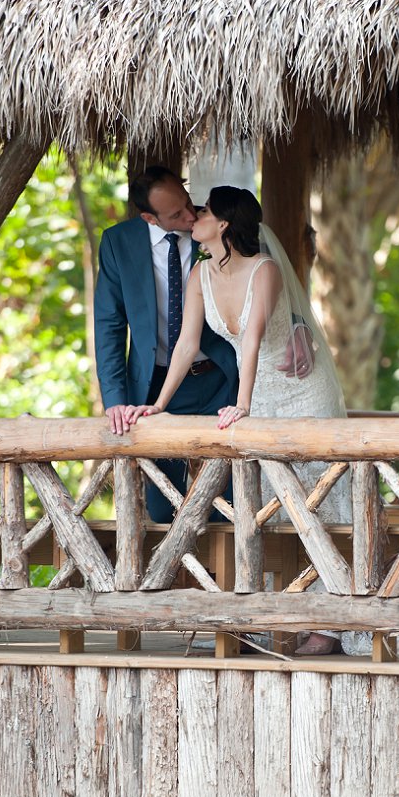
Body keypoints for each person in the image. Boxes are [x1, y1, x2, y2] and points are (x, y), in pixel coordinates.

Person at [128, 185, 352, 657]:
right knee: (273, 510)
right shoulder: (200, 274)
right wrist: (159, 404)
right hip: (257, 398)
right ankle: (281, 616)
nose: (195, 217)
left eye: (204, 211)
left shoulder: (264, 271)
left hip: (299, 395)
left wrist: (243, 403)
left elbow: (251, 339)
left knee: (320, 507)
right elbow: (187, 345)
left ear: (224, 223)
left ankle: (334, 623)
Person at [94, 165, 240, 523]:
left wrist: (296, 328)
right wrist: (115, 399)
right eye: (176, 214)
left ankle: (229, 581)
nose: (191, 216)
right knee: (162, 508)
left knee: (230, 503)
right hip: (156, 386)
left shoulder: (216, 228)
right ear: (149, 217)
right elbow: (109, 325)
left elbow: (262, 282)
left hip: (221, 378)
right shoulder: (118, 243)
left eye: (188, 203)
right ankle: (176, 579)